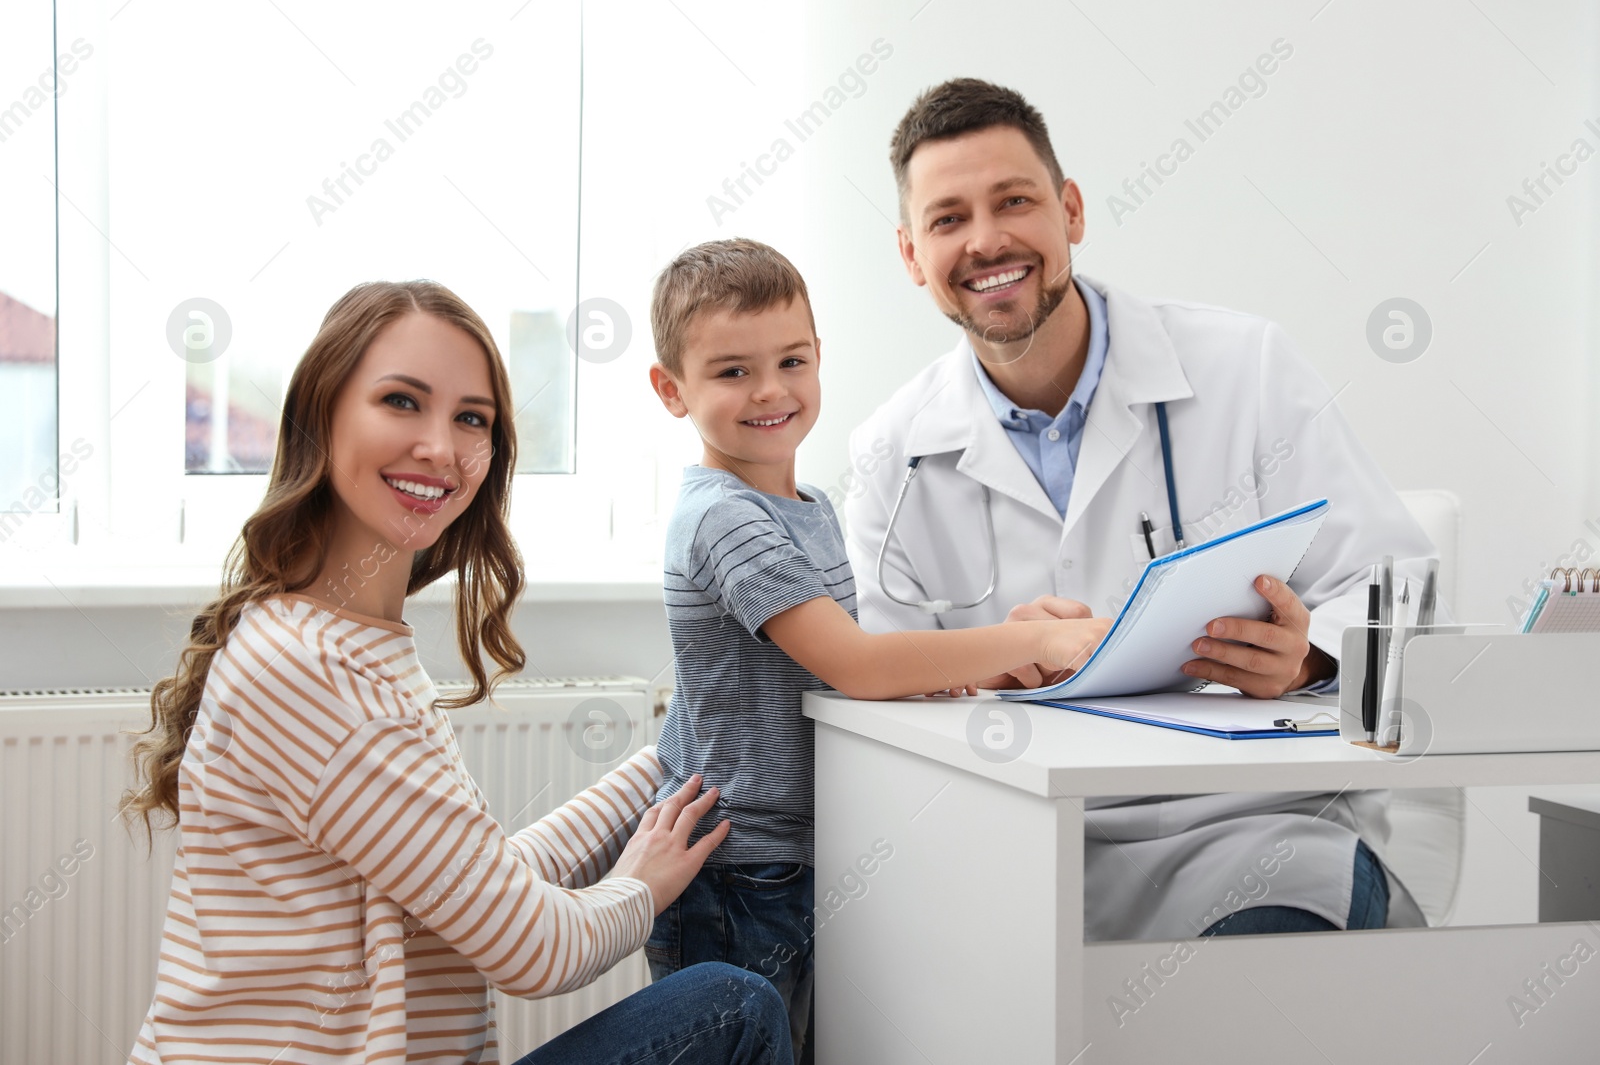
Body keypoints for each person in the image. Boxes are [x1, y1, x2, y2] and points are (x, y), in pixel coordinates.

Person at [121, 280, 794, 1065]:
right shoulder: (308, 672)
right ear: (322, 412)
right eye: (402, 401)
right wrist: (641, 887)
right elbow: (533, 947)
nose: (441, 447)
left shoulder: (344, 638)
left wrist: (678, 749)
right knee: (730, 1008)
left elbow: (481, 884)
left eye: (471, 418)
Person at [845, 79, 1440, 941]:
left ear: (1072, 210)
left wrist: (1309, 657)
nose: (986, 240)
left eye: (1014, 201)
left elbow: (1406, 591)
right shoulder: (890, 453)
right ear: (910, 255)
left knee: (1262, 973)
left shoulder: (1248, 368)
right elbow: (875, 693)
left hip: (1252, 834)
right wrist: (982, 667)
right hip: (1013, 848)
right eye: (947, 219)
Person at [643, 239, 1111, 1060]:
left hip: (800, 856)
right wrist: (1028, 635)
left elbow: (838, 666)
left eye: (791, 359)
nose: (770, 390)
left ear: (820, 356)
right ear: (671, 390)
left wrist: (991, 665)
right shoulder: (722, 517)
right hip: (737, 873)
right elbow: (855, 664)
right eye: (731, 372)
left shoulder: (809, 504)